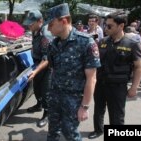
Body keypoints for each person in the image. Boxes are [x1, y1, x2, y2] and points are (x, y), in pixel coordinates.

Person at [44, 3, 101, 141]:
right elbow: (53, 69)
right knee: (52, 133)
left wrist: (85, 106)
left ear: (63, 21)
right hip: (55, 96)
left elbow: (91, 78)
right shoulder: (53, 44)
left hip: (73, 100)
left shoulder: (86, 43)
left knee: (70, 134)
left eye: (51, 24)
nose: (48, 28)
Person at [88, 12, 141, 139]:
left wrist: (134, 87)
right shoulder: (102, 41)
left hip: (118, 86)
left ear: (121, 26)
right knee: (98, 110)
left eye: (109, 26)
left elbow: (139, 67)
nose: (106, 29)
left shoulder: (132, 44)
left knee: (116, 115)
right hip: (101, 83)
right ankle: (98, 130)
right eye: (105, 26)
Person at [23, 10, 53, 128]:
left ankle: (47, 114)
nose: (29, 25)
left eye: (31, 23)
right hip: (37, 64)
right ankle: (39, 105)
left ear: (40, 21)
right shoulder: (35, 31)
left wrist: (35, 71)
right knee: (37, 88)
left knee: (46, 92)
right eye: (28, 23)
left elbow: (47, 59)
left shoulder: (45, 34)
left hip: (46, 66)